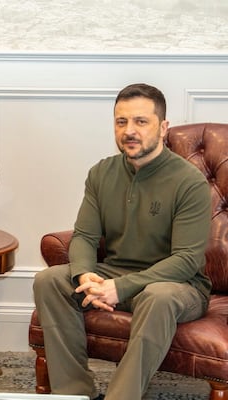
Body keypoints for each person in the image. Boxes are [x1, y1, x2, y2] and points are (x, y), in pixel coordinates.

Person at [33, 83, 211, 400]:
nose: (129, 131)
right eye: (121, 121)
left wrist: (121, 287)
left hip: (177, 285)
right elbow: (85, 236)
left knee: (158, 296)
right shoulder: (101, 173)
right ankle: (74, 394)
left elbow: (187, 260)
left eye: (141, 121)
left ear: (163, 127)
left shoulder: (189, 182)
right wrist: (86, 276)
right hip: (113, 274)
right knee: (49, 280)